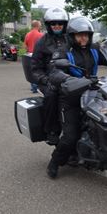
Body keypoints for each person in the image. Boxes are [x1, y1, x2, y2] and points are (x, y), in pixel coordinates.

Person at [45, 16, 101, 179]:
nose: (83, 38)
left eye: (86, 35)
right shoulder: (63, 51)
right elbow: (54, 71)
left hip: (92, 94)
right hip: (70, 99)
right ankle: (55, 162)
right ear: (72, 36)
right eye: (79, 35)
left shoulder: (94, 50)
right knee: (70, 137)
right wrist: (68, 79)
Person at [31, 7, 69, 145]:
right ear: (48, 25)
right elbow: (35, 68)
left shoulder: (70, 40)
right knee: (52, 95)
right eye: (54, 23)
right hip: (48, 80)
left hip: (68, 79)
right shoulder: (42, 42)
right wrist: (46, 80)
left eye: (60, 23)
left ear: (65, 24)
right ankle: (51, 130)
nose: (57, 26)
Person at [24, 20, 44, 93]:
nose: (41, 26)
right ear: (37, 26)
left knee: (31, 71)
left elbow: (25, 46)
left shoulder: (27, 34)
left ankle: (33, 87)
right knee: (38, 70)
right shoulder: (41, 35)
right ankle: (37, 86)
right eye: (40, 25)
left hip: (29, 54)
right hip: (38, 55)